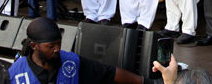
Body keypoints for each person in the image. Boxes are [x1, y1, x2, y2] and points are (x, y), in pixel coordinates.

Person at [9, 17, 163, 84]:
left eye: (59, 44)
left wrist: (150, 82)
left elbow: (108, 73)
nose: (57, 49)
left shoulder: (70, 62)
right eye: (51, 46)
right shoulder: (15, 73)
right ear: (34, 46)